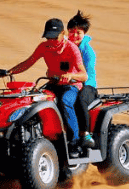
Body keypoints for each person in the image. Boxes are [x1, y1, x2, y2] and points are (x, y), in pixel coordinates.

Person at [7, 18, 87, 148]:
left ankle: (74, 141)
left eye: (54, 38)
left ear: (63, 33)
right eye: (48, 37)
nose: (51, 41)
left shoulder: (72, 49)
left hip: (71, 86)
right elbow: (28, 62)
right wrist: (9, 72)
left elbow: (84, 75)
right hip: (53, 84)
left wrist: (71, 76)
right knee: (34, 100)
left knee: (65, 101)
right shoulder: (43, 47)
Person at [66, 11, 97, 149]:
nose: (75, 35)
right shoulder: (65, 47)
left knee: (80, 100)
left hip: (88, 85)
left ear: (84, 33)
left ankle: (85, 134)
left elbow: (89, 73)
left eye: (78, 32)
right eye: (71, 31)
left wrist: (79, 82)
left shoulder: (87, 51)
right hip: (70, 83)